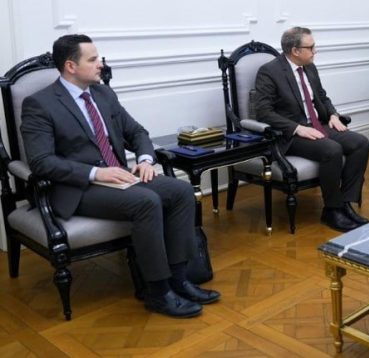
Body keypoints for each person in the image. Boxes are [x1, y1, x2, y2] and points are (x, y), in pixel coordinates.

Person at [21, 34, 220, 318]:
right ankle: (158, 292)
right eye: (92, 59)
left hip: (120, 176)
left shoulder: (103, 94)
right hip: (79, 187)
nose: (100, 64)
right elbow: (41, 162)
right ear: (71, 66)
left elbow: (136, 132)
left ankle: (180, 280)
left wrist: (145, 159)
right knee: (146, 201)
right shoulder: (39, 104)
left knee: (181, 191)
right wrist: (97, 172)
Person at [252, 26, 369, 232]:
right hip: (291, 134)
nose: (315, 51)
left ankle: (345, 203)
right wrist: (297, 128)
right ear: (295, 51)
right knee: (332, 149)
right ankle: (331, 210)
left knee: (360, 143)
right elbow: (263, 112)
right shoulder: (269, 72)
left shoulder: (309, 67)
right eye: (311, 47)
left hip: (318, 124)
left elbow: (322, 96)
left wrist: (333, 115)